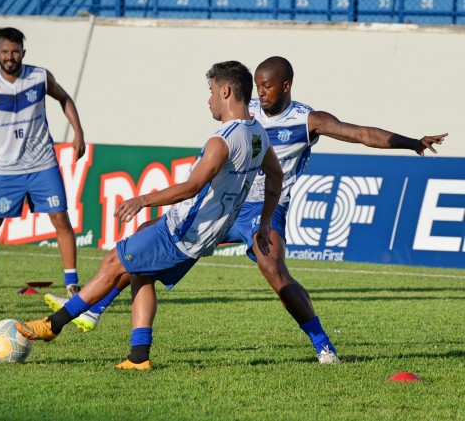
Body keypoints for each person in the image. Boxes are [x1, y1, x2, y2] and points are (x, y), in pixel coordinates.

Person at [43, 56, 447, 364]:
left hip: (264, 209)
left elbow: (362, 134)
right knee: (149, 238)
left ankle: (322, 344)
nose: (261, 93)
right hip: (227, 204)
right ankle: (97, 310)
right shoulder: (247, 117)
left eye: (268, 87)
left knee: (273, 270)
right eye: (257, 86)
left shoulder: (308, 120)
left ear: (286, 86)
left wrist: (411, 142)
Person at [15, 60, 284, 370]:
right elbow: (275, 176)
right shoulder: (256, 134)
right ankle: (139, 357)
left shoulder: (221, 140)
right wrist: (264, 222)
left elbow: (191, 188)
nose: (208, 99)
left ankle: (53, 325)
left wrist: (142, 199)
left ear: (225, 91)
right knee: (140, 273)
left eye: (211, 92)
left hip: (184, 230)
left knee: (115, 262)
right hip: (204, 234)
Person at [0, 27, 86, 297]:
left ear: (23, 53)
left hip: (42, 164)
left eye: (15, 51)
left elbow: (64, 98)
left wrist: (78, 133)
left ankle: (72, 283)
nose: (10, 56)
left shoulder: (40, 77)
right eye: (5, 51)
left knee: (60, 218)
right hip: (5, 168)